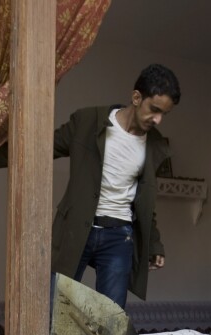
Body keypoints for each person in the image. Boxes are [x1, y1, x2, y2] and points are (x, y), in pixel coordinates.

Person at [51, 64, 180, 308]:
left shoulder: (154, 146)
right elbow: (41, 145)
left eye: (164, 114)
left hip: (119, 236)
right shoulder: (88, 122)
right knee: (55, 311)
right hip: (76, 229)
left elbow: (145, 203)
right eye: (154, 110)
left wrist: (154, 243)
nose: (158, 119)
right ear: (136, 97)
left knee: (111, 323)